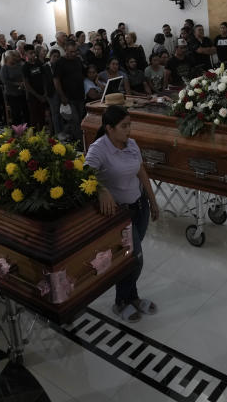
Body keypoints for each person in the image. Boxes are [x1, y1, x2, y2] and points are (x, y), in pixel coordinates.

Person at [85, 106, 160, 323]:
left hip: (140, 206)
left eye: (130, 124)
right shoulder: (99, 149)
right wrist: (102, 189)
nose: (129, 130)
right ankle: (120, 302)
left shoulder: (132, 144)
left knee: (128, 259)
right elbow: (84, 173)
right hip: (120, 215)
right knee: (134, 259)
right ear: (109, 128)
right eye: (124, 126)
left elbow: (141, 171)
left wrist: (153, 201)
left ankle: (131, 297)